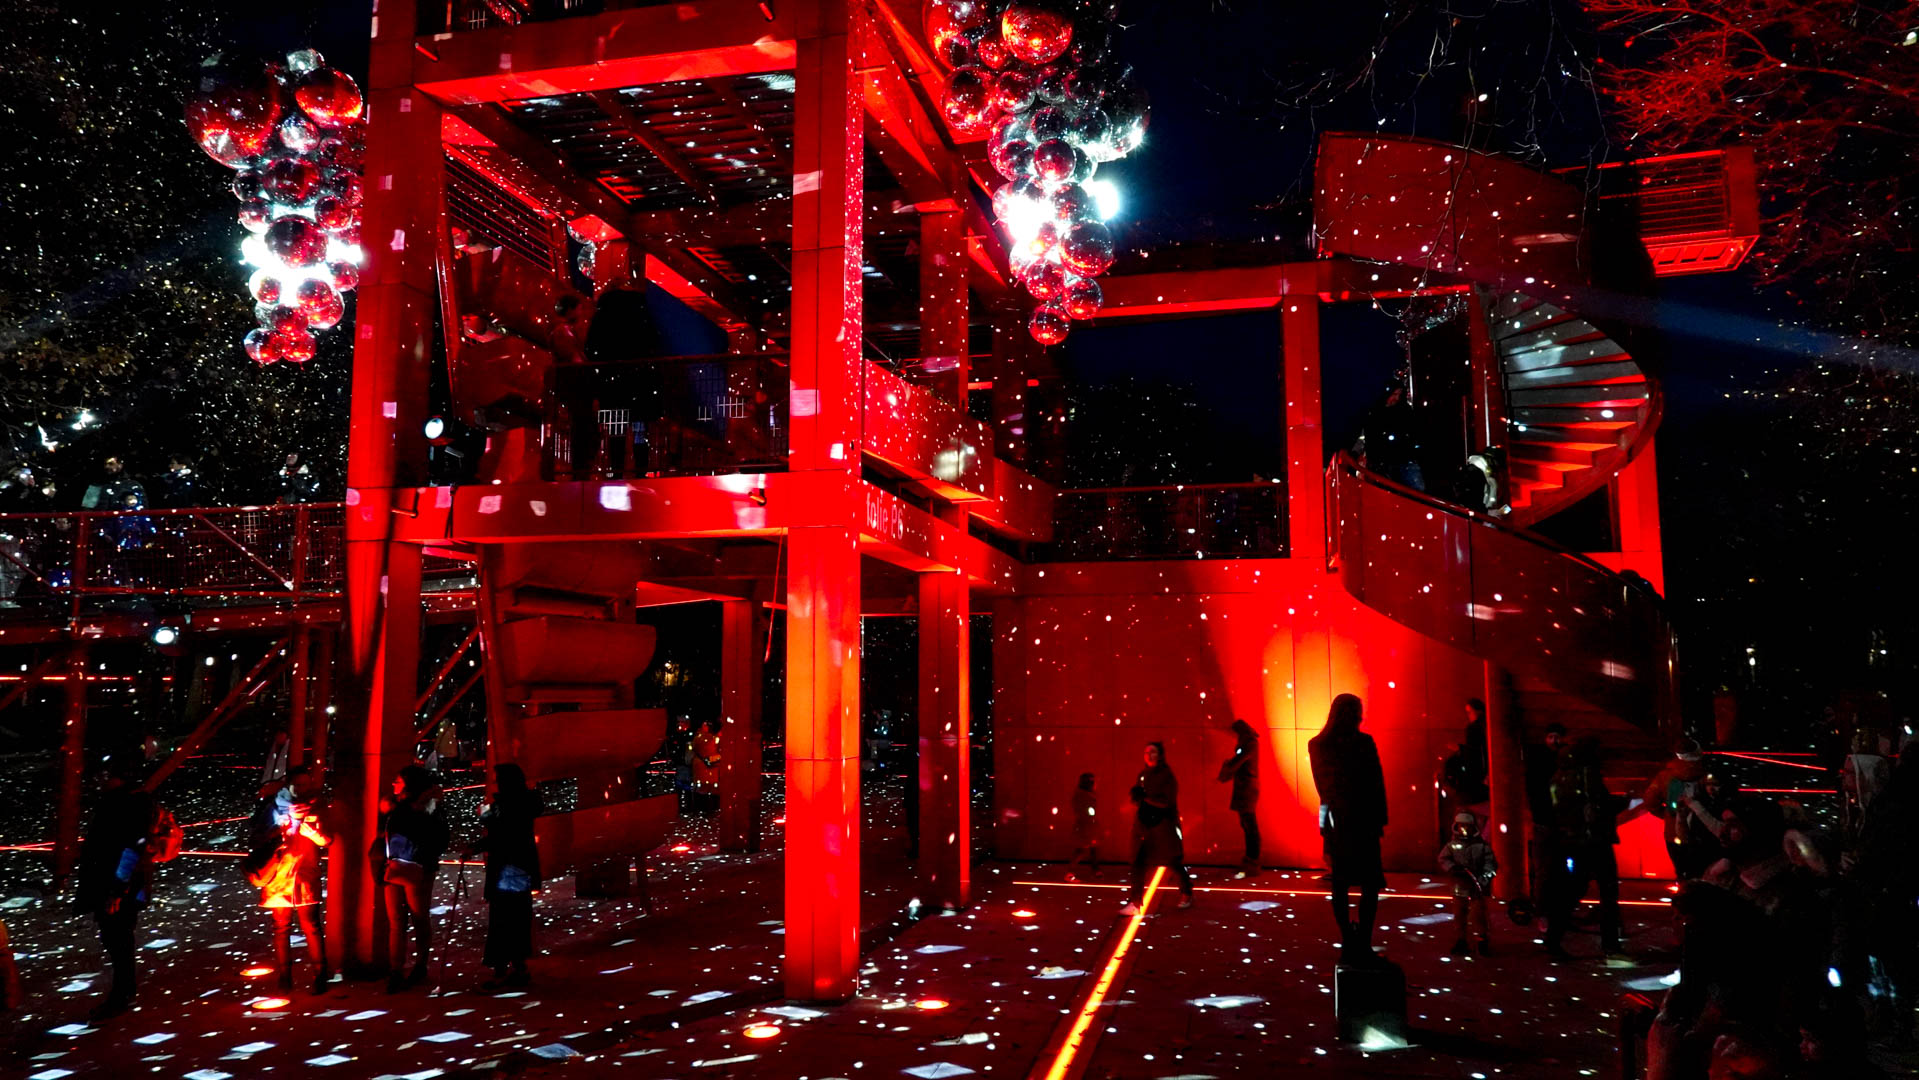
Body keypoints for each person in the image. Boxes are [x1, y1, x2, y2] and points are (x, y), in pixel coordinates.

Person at [73, 756, 157, 1020]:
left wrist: (117, 890)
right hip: (116, 884)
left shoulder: (127, 803)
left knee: (118, 939)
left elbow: (131, 848)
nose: (98, 781)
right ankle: (124, 991)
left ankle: (121, 995)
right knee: (117, 939)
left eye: (104, 776)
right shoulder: (124, 801)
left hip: (117, 885)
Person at [1309, 694, 1389, 959]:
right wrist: (1379, 819)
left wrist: (1325, 826)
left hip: (1338, 822)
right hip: (1363, 821)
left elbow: (1324, 791)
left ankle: (1348, 938)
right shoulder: (1363, 742)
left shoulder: (1318, 745)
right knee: (1369, 884)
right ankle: (1363, 940)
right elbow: (1376, 783)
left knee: (1340, 884)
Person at [249, 765, 332, 994]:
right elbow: (257, 836)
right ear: (288, 784)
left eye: (306, 784)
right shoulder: (274, 806)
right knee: (281, 927)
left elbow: (327, 840)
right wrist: (280, 829)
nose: (303, 789)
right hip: (278, 876)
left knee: (311, 926)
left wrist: (309, 830)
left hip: (305, 875)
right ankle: (285, 976)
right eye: (298, 785)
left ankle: (320, 974)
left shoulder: (317, 805)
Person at [1542, 736, 1627, 961]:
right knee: (1607, 893)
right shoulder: (1587, 774)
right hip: (1594, 840)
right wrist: (1622, 802)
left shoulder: (1558, 776)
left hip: (1571, 840)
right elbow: (1598, 805)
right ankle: (1610, 944)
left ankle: (1553, 937)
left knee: (1572, 891)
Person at [371, 764, 449, 993]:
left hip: (418, 868)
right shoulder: (393, 806)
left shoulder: (425, 806)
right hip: (395, 867)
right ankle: (397, 969)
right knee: (398, 920)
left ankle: (418, 965)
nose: (393, 784)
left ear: (409, 784)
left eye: (398, 780)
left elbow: (437, 837)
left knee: (417, 917)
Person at [474, 763, 542, 990]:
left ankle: (502, 969)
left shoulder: (505, 805)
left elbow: (499, 833)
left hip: (506, 867)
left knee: (503, 919)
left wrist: (485, 816)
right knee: (519, 917)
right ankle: (518, 966)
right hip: (521, 866)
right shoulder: (526, 801)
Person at [1122, 742, 1194, 914]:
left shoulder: (1166, 775)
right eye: (1146, 752)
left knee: (1172, 860)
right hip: (1144, 822)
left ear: (1160, 755)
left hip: (1163, 823)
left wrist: (1145, 798)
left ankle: (1186, 893)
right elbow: (1141, 798)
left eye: (1152, 752)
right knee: (1138, 860)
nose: (1148, 755)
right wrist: (1137, 798)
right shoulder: (1143, 774)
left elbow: (1167, 802)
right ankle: (1135, 902)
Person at [1643, 737, 1712, 880]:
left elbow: (1650, 801)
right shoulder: (1707, 774)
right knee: (1705, 873)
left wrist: (1668, 816)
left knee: (1682, 872)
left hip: (1673, 833)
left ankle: (1684, 891)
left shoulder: (1665, 776)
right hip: (1705, 832)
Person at [550, 293, 601, 479]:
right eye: (579, 308)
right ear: (571, 310)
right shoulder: (563, 333)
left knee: (584, 429)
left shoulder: (565, 332)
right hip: (576, 388)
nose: (581, 313)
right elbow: (574, 360)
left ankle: (582, 469)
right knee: (584, 430)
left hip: (575, 388)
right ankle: (581, 470)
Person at [1439, 809, 1497, 956]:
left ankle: (1481, 939)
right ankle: (1461, 939)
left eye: (1467, 826)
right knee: (1459, 914)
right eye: (1461, 825)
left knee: (1478, 915)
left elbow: (1491, 864)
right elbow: (1443, 859)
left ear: (1473, 827)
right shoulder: (1452, 845)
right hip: (1459, 886)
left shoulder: (1481, 846)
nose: (1464, 829)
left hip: (1477, 887)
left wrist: (1483, 878)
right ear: (1456, 826)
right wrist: (1452, 868)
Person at [1217, 720, 1261, 878]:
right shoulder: (1249, 743)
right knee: (1247, 824)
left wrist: (1226, 770)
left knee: (1249, 825)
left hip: (1246, 789)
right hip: (1245, 788)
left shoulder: (1249, 743)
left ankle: (1252, 860)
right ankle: (1251, 860)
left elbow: (1238, 762)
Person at [1066, 772, 1100, 882]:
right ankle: (1070, 873)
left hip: (1088, 826)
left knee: (1092, 848)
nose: (1094, 784)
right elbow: (1084, 812)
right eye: (1092, 782)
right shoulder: (1082, 795)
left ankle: (1095, 869)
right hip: (1085, 827)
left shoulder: (1083, 794)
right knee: (1081, 850)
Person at [690, 720, 721, 817]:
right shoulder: (713, 738)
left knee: (702, 788)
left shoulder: (698, 738)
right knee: (709, 788)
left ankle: (700, 809)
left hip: (704, 765)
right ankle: (709, 809)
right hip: (708, 765)